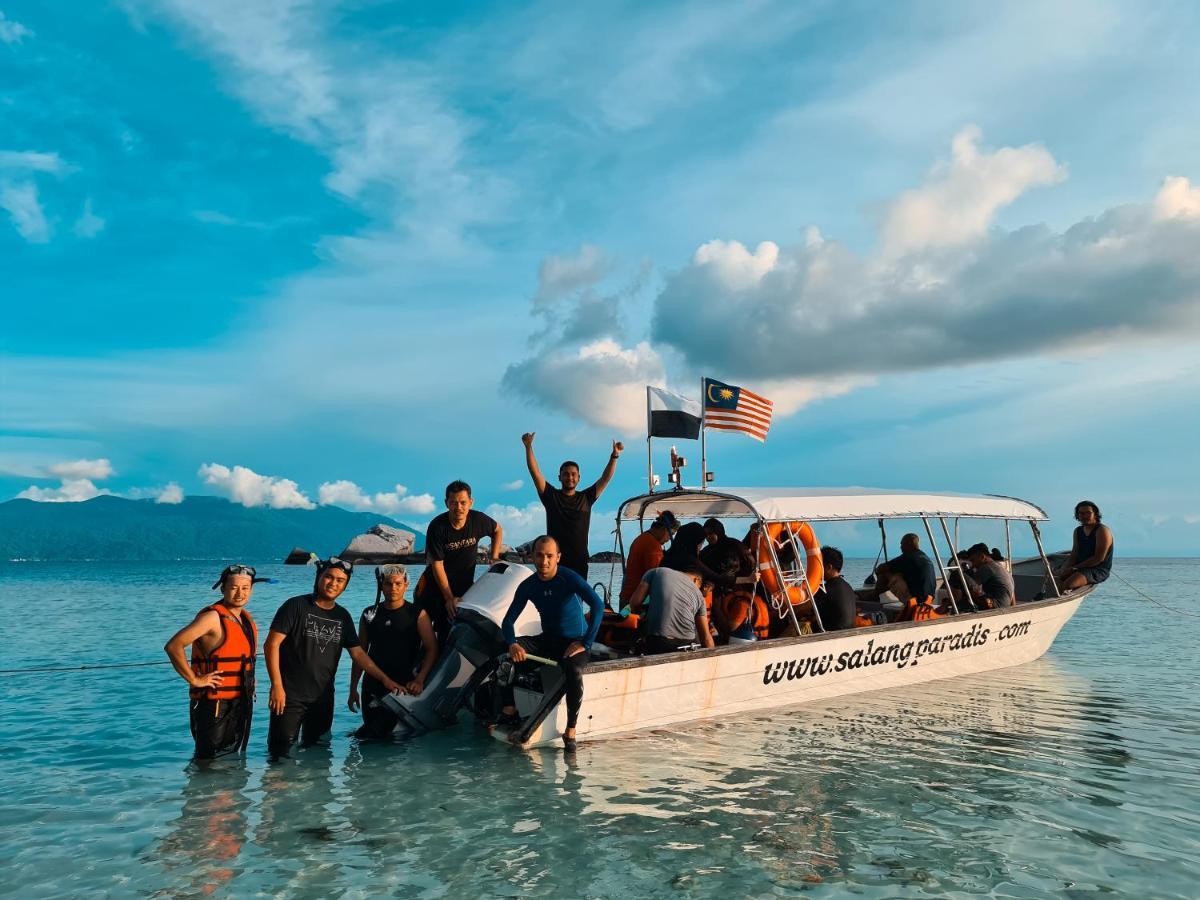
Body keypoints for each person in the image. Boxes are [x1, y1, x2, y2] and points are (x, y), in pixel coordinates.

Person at [264, 558, 402, 760]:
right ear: (319, 576)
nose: (333, 583)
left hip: (323, 699)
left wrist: (384, 680)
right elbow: (271, 645)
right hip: (289, 697)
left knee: (318, 754)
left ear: (345, 586)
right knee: (280, 754)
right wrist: (276, 686)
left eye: (340, 580)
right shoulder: (295, 606)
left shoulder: (342, 616)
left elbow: (358, 654)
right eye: (329, 577)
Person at [498, 535, 605, 752]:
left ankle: (570, 729)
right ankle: (509, 711)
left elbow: (598, 605)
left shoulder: (568, 578)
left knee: (574, 671)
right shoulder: (528, 585)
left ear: (558, 557)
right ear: (532, 557)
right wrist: (513, 644)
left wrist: (586, 642)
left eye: (549, 556)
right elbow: (508, 621)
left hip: (574, 642)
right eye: (539, 555)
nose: (544, 561)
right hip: (548, 640)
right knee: (505, 661)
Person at [164, 564, 260, 760]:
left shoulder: (245, 620)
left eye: (245, 588)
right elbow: (174, 646)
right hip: (215, 704)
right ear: (223, 588)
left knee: (230, 759)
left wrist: (248, 681)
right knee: (210, 762)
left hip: (240, 701)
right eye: (233, 587)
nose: (240, 593)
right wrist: (195, 679)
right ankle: (205, 790)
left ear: (251, 589)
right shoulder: (212, 618)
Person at [348, 565, 438, 740]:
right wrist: (353, 688)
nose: (393, 588)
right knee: (370, 738)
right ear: (381, 586)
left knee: (396, 739)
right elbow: (360, 654)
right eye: (388, 584)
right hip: (372, 685)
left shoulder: (417, 614)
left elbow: (432, 649)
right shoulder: (369, 614)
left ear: (406, 585)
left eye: (398, 583)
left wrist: (420, 679)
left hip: (404, 686)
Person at [521, 431, 622, 579]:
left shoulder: (586, 498)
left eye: (573, 474)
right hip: (555, 563)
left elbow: (605, 478)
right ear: (559, 477)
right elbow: (534, 472)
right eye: (566, 474)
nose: (570, 477)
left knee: (576, 602)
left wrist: (615, 456)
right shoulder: (551, 497)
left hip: (579, 562)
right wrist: (528, 447)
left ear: (579, 478)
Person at [413, 480, 503, 646]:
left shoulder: (478, 520)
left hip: (463, 586)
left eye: (463, 502)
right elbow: (437, 565)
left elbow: (497, 530)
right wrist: (448, 598)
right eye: (453, 502)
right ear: (446, 503)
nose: (458, 507)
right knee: (419, 635)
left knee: (450, 633)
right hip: (433, 587)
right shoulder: (438, 526)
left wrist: (494, 557)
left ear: (471, 502)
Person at [628, 560, 715, 654]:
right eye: (699, 586)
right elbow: (706, 637)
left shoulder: (656, 572)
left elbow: (634, 603)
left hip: (658, 642)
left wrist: (640, 622)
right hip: (687, 644)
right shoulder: (699, 595)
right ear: (696, 580)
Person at [619, 511, 678, 605]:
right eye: (671, 534)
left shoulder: (643, 538)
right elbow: (657, 577)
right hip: (636, 601)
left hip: (627, 596)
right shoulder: (653, 546)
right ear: (664, 529)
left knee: (625, 618)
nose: (668, 539)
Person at [1060, 500, 1114, 590]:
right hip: (1080, 566)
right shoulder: (1078, 531)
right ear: (1077, 516)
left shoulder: (1102, 530)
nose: (1084, 516)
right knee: (1056, 579)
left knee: (1068, 584)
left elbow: (1098, 558)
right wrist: (1066, 568)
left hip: (1097, 569)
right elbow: (1074, 553)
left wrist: (1074, 568)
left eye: (1088, 513)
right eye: (1081, 513)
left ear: (1095, 514)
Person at [879, 533, 937, 602]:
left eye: (902, 544)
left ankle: (875, 596)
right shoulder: (924, 557)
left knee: (885, 573)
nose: (900, 547)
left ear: (909, 544)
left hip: (916, 600)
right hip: (929, 599)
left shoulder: (907, 557)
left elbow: (880, 568)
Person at [813, 547, 857, 631]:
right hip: (848, 634)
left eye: (819, 565)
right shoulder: (848, 587)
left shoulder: (825, 589)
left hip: (831, 636)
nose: (817, 569)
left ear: (829, 567)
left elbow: (802, 609)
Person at [965, 543, 1015, 608]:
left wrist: (962, 573)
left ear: (982, 556)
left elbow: (971, 587)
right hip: (1005, 606)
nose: (973, 564)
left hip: (995, 606)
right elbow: (1012, 593)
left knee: (959, 577)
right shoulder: (1000, 566)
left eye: (973, 560)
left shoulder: (986, 568)